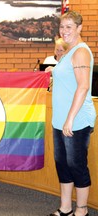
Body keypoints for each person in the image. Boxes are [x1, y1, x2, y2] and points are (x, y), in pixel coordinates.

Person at [47, 11, 96, 216]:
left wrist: (69, 119)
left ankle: (82, 210)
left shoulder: (81, 52)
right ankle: (66, 208)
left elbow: (83, 87)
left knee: (77, 166)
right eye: (61, 26)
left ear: (79, 28)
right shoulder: (68, 51)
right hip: (60, 121)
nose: (64, 31)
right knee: (63, 165)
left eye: (69, 26)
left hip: (75, 121)